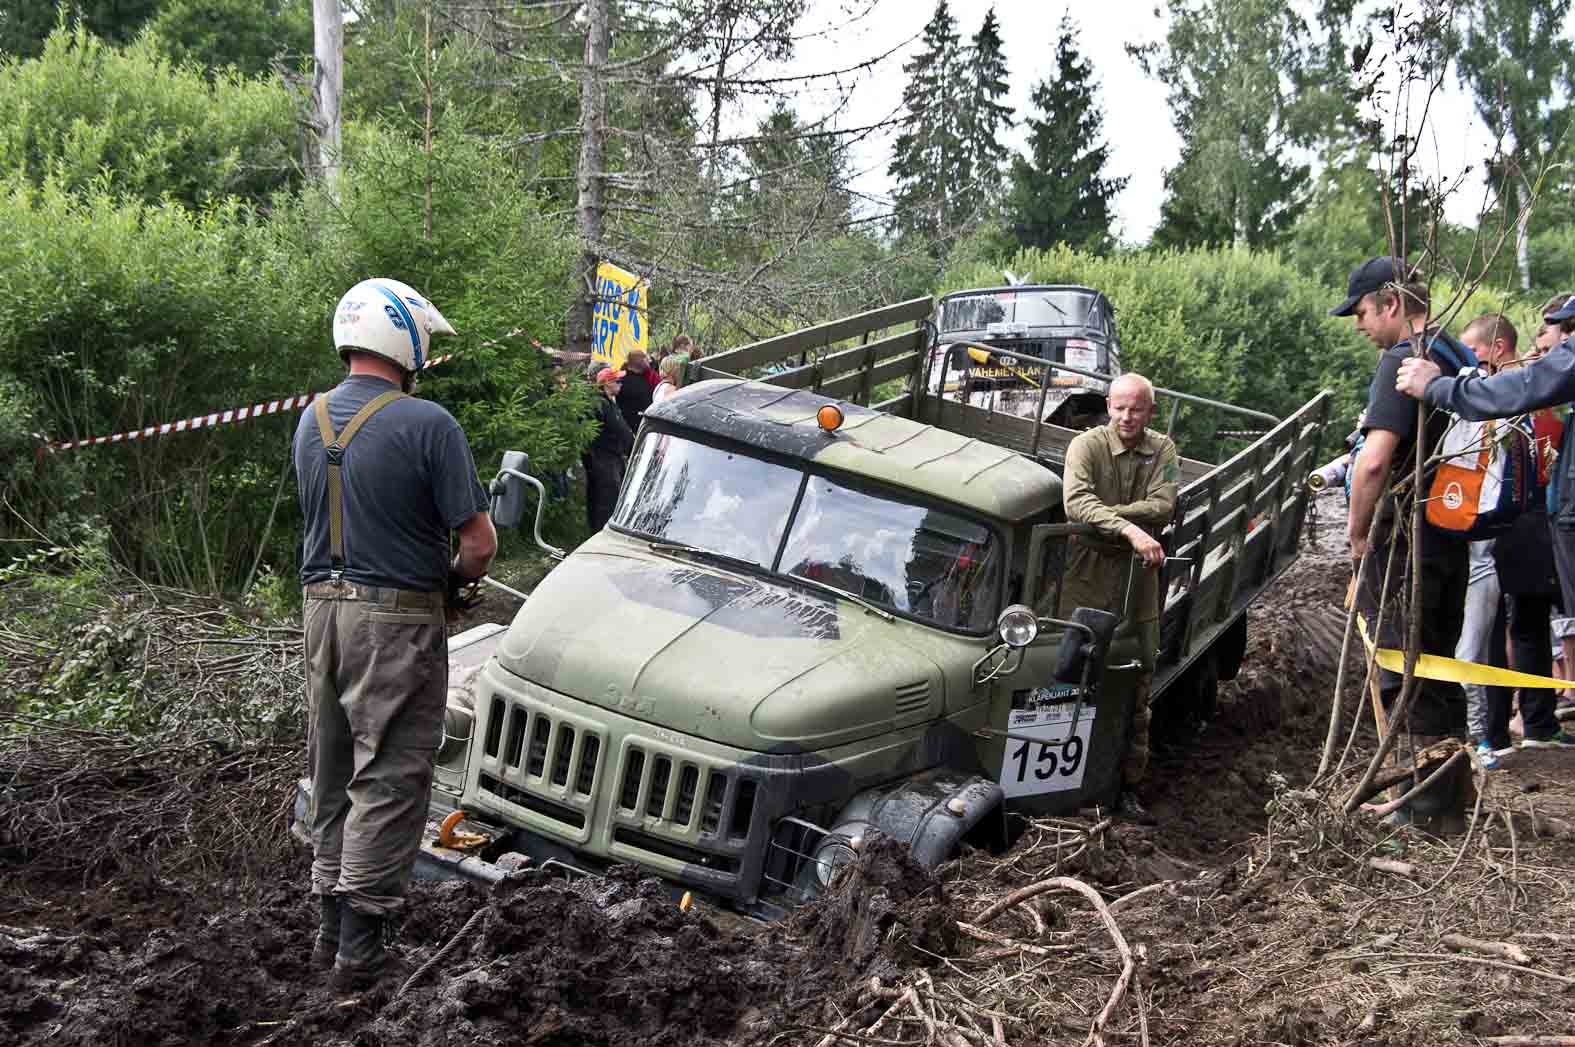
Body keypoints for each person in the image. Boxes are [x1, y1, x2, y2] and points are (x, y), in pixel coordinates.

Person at [294, 278, 497, 991]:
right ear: (403, 340)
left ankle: (326, 933)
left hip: (320, 611)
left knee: (332, 768)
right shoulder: (428, 423)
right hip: (396, 621)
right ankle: (361, 954)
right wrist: (454, 583)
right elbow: (478, 544)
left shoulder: (311, 418)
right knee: (390, 775)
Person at [1395, 294, 1575, 747]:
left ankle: (1488, 735)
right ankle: (1503, 731)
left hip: (1505, 534)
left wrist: (1440, 388)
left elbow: (1531, 389)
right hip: (1515, 531)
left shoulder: (1521, 394)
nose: (1563, 342)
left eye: (1569, 330)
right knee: (1510, 631)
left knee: (1491, 635)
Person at [1335, 257, 1474, 822]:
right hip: (1448, 532)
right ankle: (1447, 798)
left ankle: (1423, 809)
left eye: (1362, 312)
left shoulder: (1403, 359)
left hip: (1405, 540)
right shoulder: (1455, 354)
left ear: (1391, 304)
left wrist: (1356, 534)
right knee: (1437, 663)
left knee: (1404, 668)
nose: (1359, 325)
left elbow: (1373, 462)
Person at [1058, 373, 1179, 823]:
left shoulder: (1163, 450)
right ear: (1108, 406)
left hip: (1138, 576)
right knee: (1064, 673)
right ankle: (1057, 786)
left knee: (1138, 680)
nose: (1127, 417)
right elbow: (1075, 503)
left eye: (1137, 409)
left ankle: (1126, 786)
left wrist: (1106, 517)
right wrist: (1130, 528)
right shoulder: (1085, 446)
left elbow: (1164, 505)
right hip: (1085, 572)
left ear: (1151, 411)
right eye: (1120, 408)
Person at [586, 366, 634, 533]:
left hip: (610, 456)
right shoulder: (602, 404)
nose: (621, 384)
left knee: (608, 496)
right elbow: (619, 429)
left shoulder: (608, 401)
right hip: (605, 458)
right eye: (618, 381)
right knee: (608, 499)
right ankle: (603, 532)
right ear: (607, 383)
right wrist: (633, 445)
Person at [616, 349, 656, 433]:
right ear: (640, 361)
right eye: (646, 359)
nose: (649, 361)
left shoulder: (640, 377)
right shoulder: (625, 381)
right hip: (636, 426)